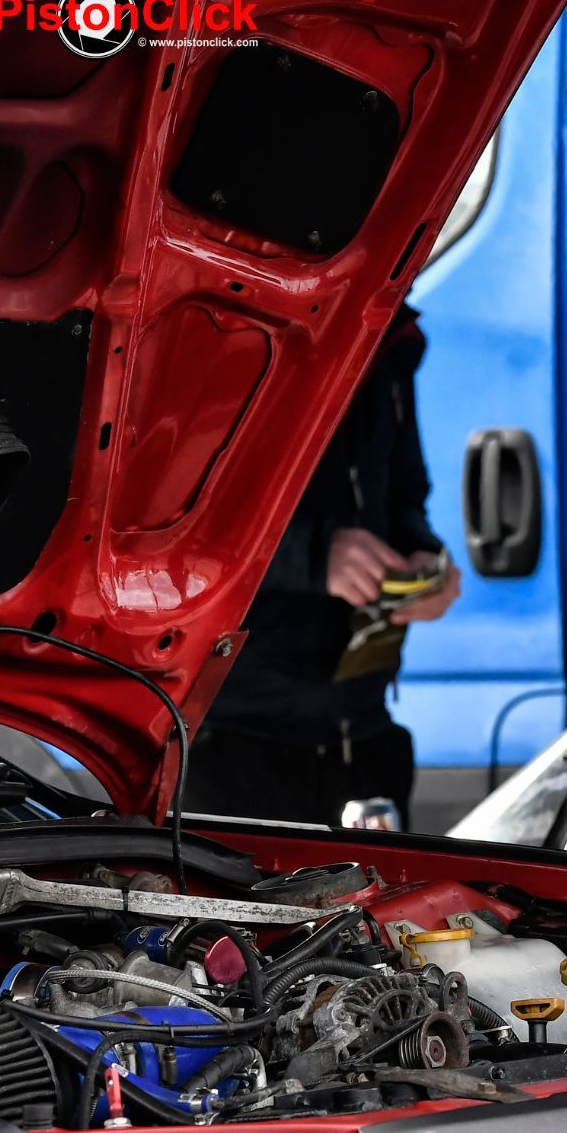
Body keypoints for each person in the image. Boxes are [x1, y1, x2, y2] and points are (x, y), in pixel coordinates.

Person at [186, 304, 461, 826]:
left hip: (364, 733)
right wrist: (313, 556)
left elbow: (406, 497)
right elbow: (162, 529)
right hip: (237, 736)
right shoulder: (223, 333)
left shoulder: (390, 340)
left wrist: (428, 562)